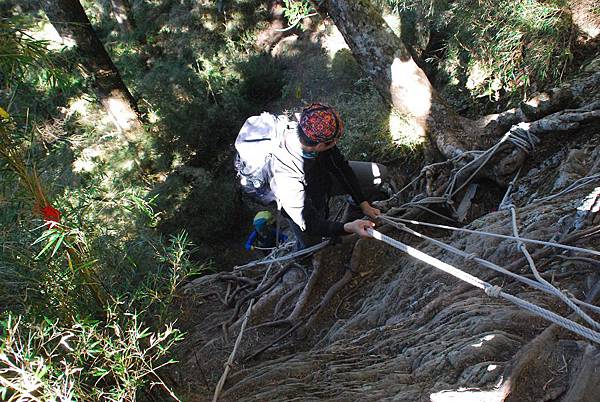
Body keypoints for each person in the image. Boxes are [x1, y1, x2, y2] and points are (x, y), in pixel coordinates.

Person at [268, 103, 388, 249]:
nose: (336, 143)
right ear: (320, 146)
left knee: (377, 174)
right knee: (312, 243)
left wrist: (362, 203)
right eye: (334, 141)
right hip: (296, 200)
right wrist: (346, 228)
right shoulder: (285, 176)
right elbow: (309, 222)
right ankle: (305, 256)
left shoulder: (313, 133)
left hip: (320, 179)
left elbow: (341, 168)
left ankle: (353, 219)